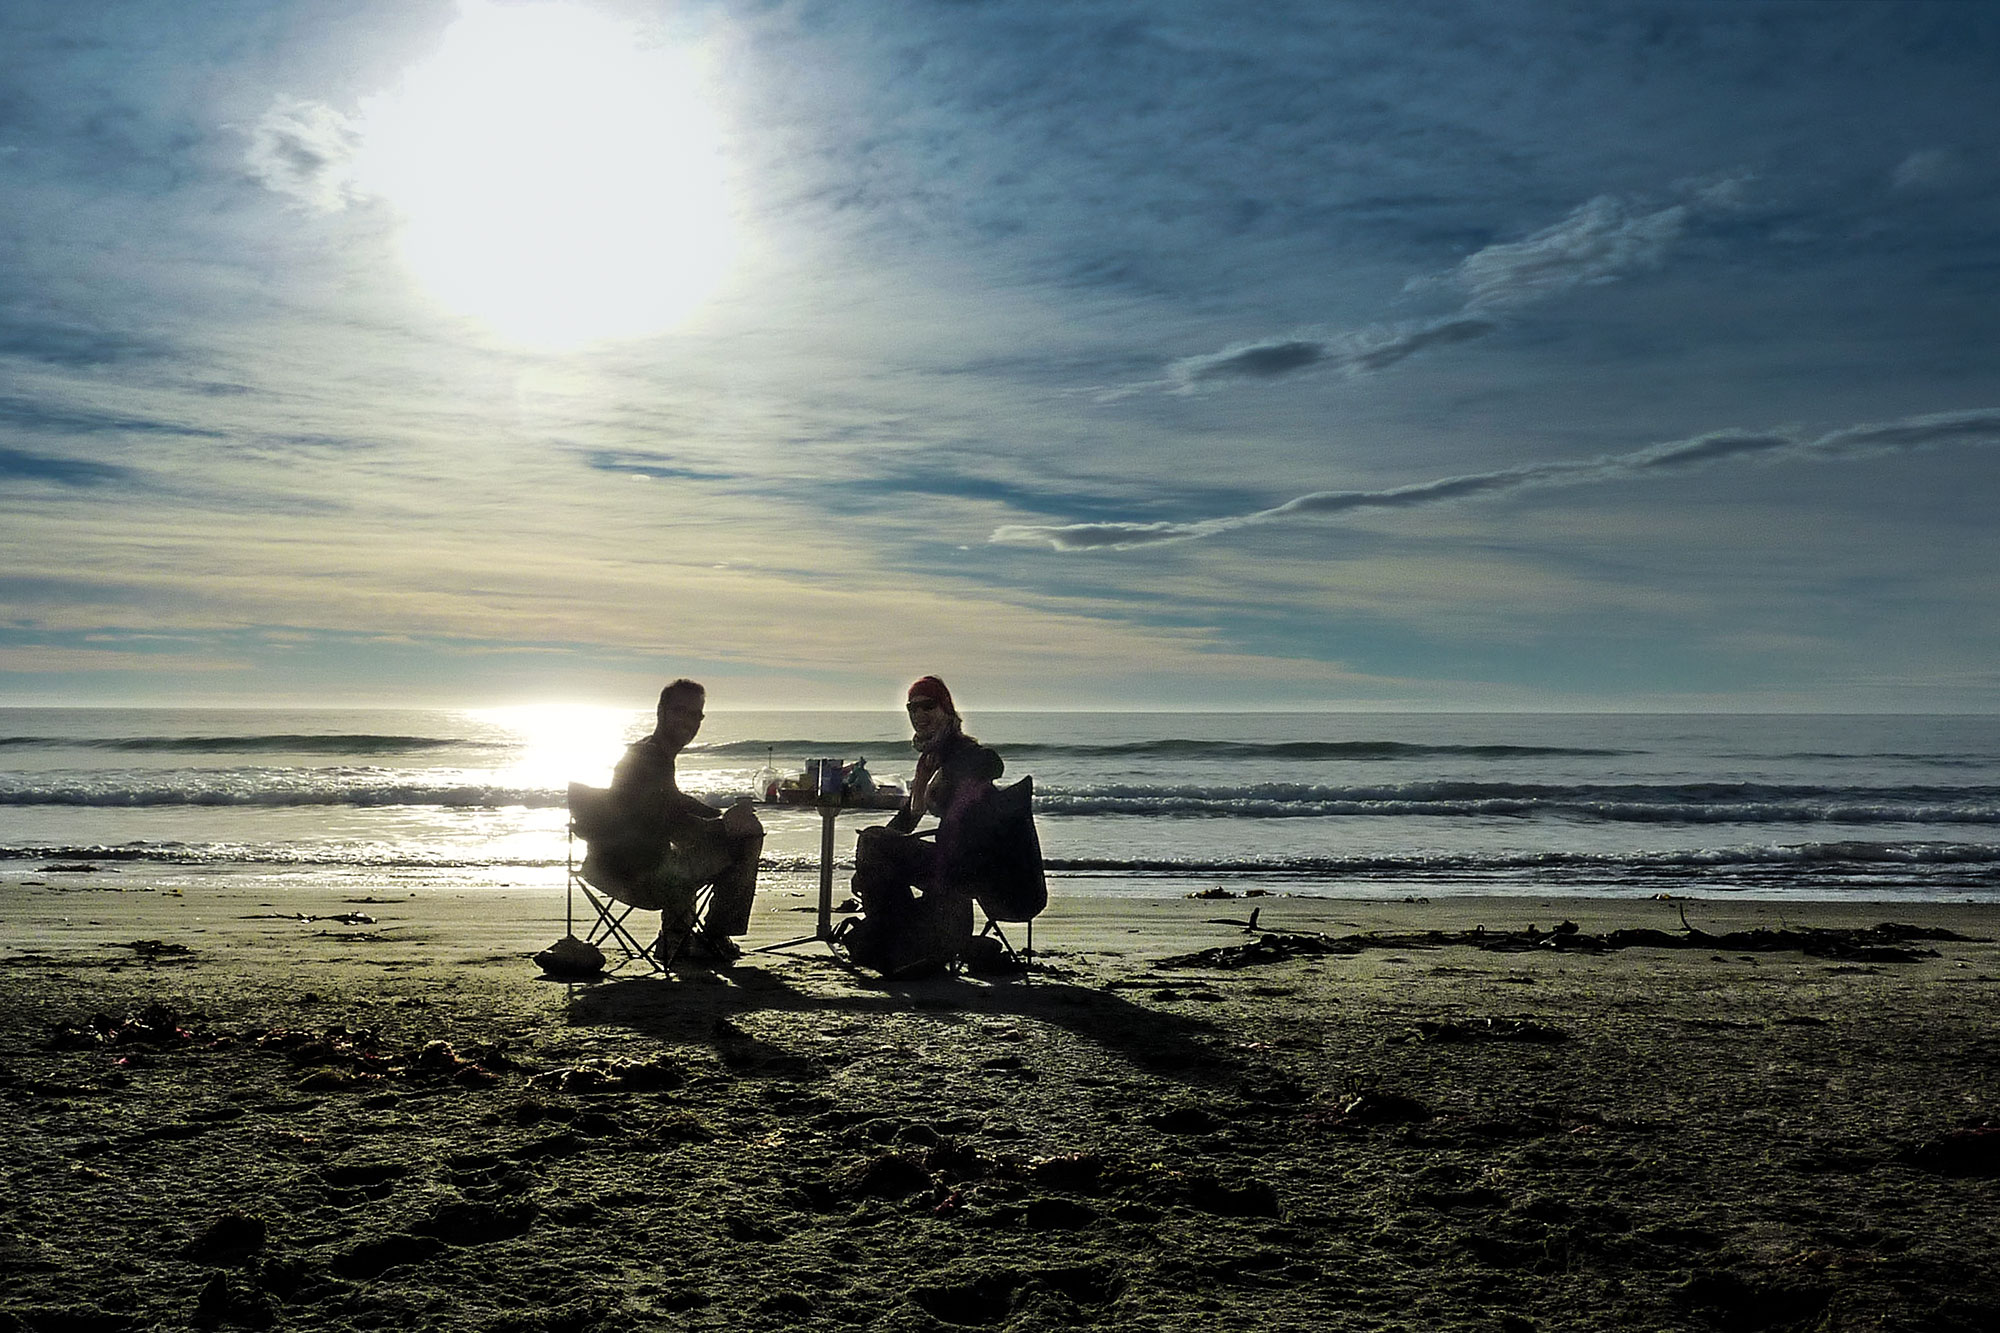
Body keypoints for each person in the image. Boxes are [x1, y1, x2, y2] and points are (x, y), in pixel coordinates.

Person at [581, 679, 763, 963]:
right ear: (661, 711)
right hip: (641, 878)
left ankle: (677, 937)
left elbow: (672, 803)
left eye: (696, 715)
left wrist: (717, 814)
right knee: (746, 841)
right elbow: (666, 823)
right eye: (681, 711)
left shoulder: (645, 752)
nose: (689, 721)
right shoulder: (651, 760)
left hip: (611, 866)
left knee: (694, 851)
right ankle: (711, 937)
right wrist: (725, 827)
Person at [840, 676, 1003, 976]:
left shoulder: (958, 750)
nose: (919, 715)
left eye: (928, 706)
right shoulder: (930, 758)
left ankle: (885, 936)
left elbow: (993, 763)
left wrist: (943, 775)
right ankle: (894, 936)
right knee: (873, 841)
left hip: (964, 864)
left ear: (945, 709)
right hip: (948, 859)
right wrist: (867, 860)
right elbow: (909, 818)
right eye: (912, 709)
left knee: (873, 841)